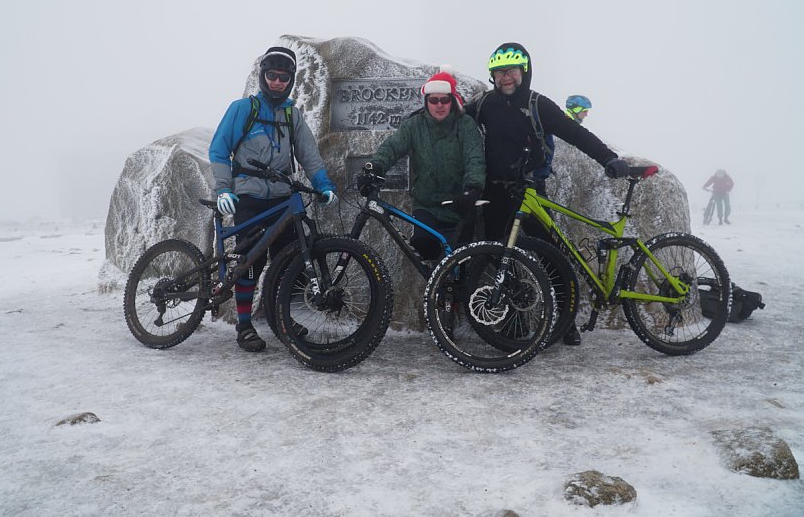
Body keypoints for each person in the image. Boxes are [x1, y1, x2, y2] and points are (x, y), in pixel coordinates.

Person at [465, 43, 628, 346]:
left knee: (552, 255)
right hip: (495, 191)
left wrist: (608, 157)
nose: (505, 78)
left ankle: (565, 321)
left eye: (511, 71)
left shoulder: (539, 104)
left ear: (524, 72)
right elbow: (453, 120)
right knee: (497, 257)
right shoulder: (484, 103)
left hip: (530, 191)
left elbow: (576, 134)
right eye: (499, 72)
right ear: (492, 76)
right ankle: (515, 322)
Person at [208, 46, 338, 352]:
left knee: (289, 263)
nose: (277, 82)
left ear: (290, 80)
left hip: (282, 198)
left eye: (283, 77)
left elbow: (309, 155)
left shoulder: (293, 115)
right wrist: (224, 189)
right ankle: (244, 327)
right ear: (262, 77)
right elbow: (218, 149)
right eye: (272, 76)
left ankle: (283, 321)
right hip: (249, 197)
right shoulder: (243, 109)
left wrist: (323, 185)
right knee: (250, 264)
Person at [363, 68, 486, 260]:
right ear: (426, 101)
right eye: (433, 100)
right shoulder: (414, 125)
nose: (439, 105)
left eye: (444, 100)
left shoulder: (466, 125)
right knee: (423, 247)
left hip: (459, 205)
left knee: (461, 263)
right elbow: (392, 147)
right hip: (426, 205)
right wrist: (376, 166)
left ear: (452, 100)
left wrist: (472, 188)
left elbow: (475, 159)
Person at [531, 94, 593, 196]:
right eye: (585, 111)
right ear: (577, 109)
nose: (586, 114)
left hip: (541, 178)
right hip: (535, 180)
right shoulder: (561, 128)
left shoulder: (560, 125)